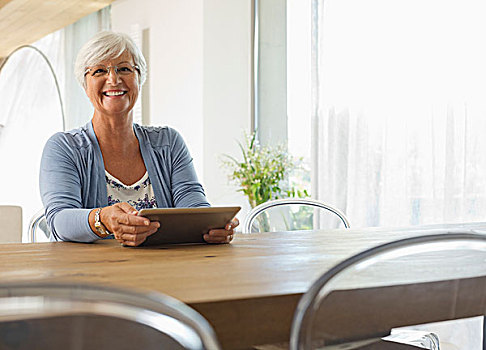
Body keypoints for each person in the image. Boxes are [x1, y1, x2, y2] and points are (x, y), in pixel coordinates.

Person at [40, 31, 238, 246]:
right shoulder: (64, 147)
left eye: (124, 69)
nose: (113, 79)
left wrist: (212, 225)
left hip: (164, 270)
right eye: (99, 71)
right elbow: (59, 220)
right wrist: (103, 218)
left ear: (139, 78)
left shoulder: (169, 142)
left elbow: (192, 202)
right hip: (88, 274)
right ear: (85, 85)